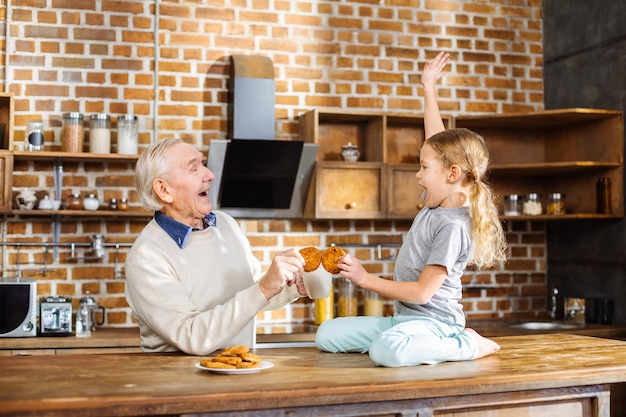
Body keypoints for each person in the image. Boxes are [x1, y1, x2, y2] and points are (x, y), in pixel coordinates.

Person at [315, 52, 508, 367]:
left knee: (386, 352)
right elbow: (437, 142)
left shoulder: (453, 226)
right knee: (326, 334)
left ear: (452, 174)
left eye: (422, 167)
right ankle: (407, 341)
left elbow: (421, 293)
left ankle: (467, 343)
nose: (418, 175)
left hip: (435, 325)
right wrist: (428, 89)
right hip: (403, 320)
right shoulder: (440, 200)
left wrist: (365, 279)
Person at [125, 138, 307, 355]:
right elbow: (191, 336)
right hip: (180, 384)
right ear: (164, 190)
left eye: (203, 164)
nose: (209, 175)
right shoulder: (147, 256)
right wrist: (263, 288)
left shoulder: (226, 225)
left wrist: (292, 285)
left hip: (240, 373)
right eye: (194, 169)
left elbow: (253, 296)